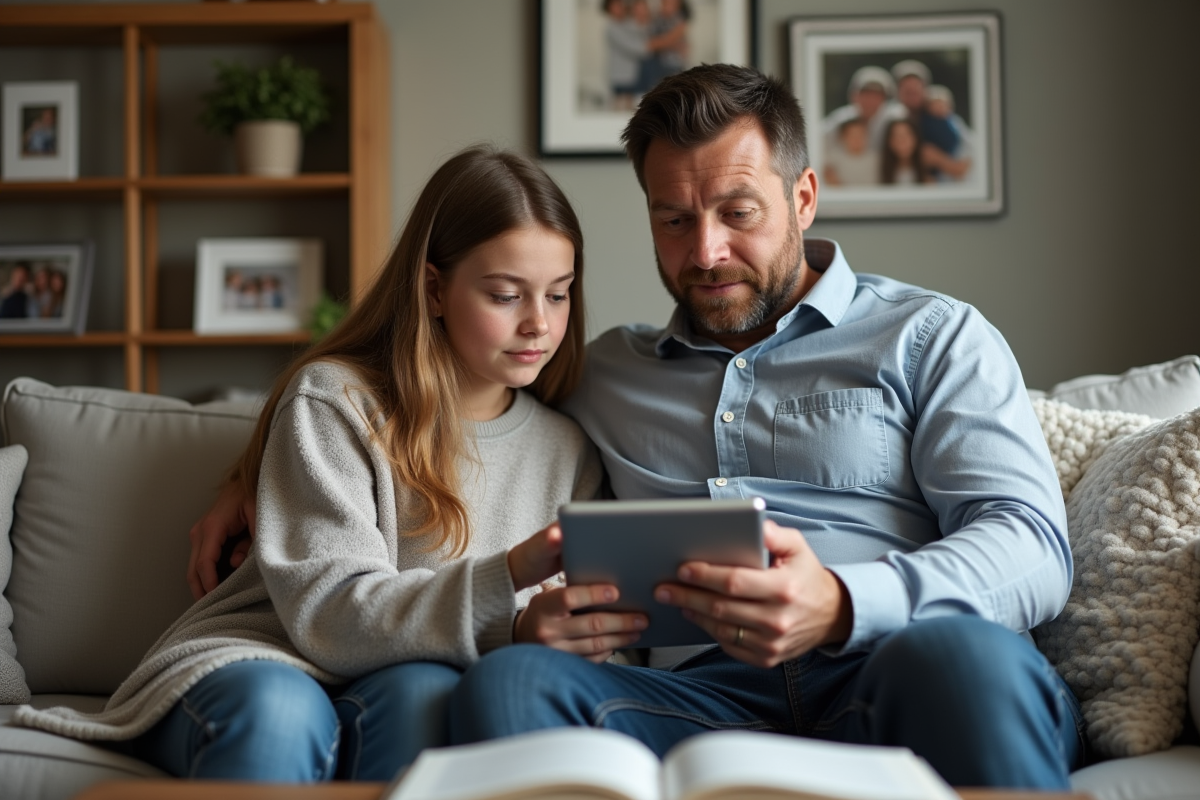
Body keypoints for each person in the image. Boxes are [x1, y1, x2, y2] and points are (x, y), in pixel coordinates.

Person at [187, 66, 1085, 790]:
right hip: (688, 694)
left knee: (971, 660)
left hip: (894, 664)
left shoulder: (933, 337)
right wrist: (252, 458)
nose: (705, 252)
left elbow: (1033, 546)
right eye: (674, 218)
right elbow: (441, 393)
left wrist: (846, 603)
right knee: (515, 678)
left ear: (804, 198)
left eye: (738, 212)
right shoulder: (603, 373)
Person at [12, 145, 644, 782]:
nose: (538, 323)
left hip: (411, 679)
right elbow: (329, 612)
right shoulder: (336, 399)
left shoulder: (568, 450)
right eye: (506, 295)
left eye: (558, 295)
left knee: (424, 696)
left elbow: (600, 648)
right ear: (433, 288)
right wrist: (507, 583)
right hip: (269, 657)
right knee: (281, 715)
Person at [822, 117, 878, 187]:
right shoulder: (832, 159)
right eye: (852, 135)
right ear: (842, 138)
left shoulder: (876, 159)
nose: (857, 139)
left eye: (860, 135)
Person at [879, 118, 930, 185]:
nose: (902, 140)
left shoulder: (928, 165)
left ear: (916, 138)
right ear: (889, 141)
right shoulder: (878, 167)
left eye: (907, 135)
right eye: (897, 136)